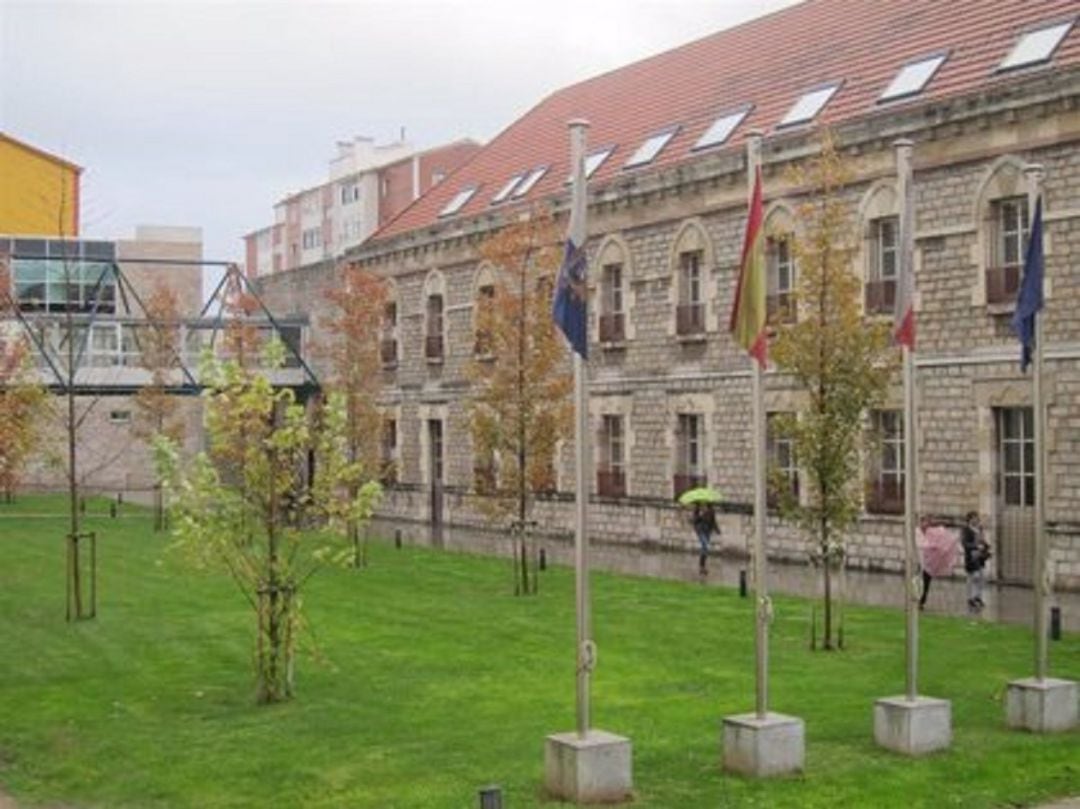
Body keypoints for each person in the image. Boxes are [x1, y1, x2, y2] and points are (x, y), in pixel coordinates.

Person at [961, 511, 991, 613]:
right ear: (969, 519)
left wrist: (986, 546)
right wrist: (976, 546)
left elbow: (983, 540)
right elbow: (965, 543)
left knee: (981, 577)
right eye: (974, 518)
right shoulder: (966, 530)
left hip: (980, 556)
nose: (976, 520)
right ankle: (970, 597)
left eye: (977, 518)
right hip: (971, 557)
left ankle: (978, 596)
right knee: (973, 577)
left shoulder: (979, 529)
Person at [691, 502, 719, 575]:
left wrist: (717, 530)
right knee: (705, 545)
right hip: (701, 531)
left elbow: (713, 521)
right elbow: (694, 520)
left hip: (707, 531)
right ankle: (702, 567)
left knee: (705, 549)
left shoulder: (711, 511)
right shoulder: (698, 509)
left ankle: (702, 567)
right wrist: (700, 516)